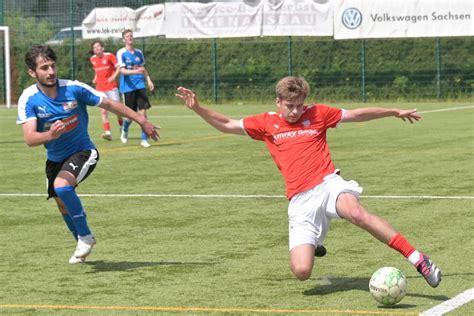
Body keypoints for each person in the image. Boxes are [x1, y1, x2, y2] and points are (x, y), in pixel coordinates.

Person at [175, 76, 442, 288]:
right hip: (300, 201)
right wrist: (198, 107)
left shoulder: (319, 114)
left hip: (328, 184)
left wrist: (392, 111)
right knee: (302, 272)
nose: (294, 111)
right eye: (289, 105)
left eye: (299, 105)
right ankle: (314, 243)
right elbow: (227, 124)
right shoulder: (266, 123)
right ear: (278, 102)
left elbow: (357, 114)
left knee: (356, 212)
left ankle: (418, 259)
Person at [17, 45, 160, 264]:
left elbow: (111, 103)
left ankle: (84, 236)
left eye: (53, 66)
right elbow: (30, 138)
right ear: (32, 72)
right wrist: (50, 135)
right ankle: (82, 244)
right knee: (61, 201)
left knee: (62, 186)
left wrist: (142, 120)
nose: (51, 72)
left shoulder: (74, 89)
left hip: (83, 151)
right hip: (54, 158)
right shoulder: (29, 99)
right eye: (44, 68)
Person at [116, 29, 155, 148]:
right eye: (127, 36)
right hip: (128, 87)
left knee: (143, 113)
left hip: (140, 85)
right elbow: (122, 70)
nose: (130, 38)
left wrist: (148, 80)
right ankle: (125, 128)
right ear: (124, 39)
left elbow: (143, 69)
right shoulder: (121, 53)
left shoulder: (139, 52)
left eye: (131, 36)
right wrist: (135, 71)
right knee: (130, 116)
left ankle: (144, 139)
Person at [89, 39, 123, 140]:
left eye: (98, 46)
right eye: (94, 47)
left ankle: (122, 127)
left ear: (103, 48)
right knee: (103, 111)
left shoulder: (109, 56)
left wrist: (113, 77)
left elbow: (119, 68)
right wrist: (95, 78)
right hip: (100, 88)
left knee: (118, 110)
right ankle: (108, 132)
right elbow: (97, 71)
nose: (96, 49)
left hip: (111, 87)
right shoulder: (93, 59)